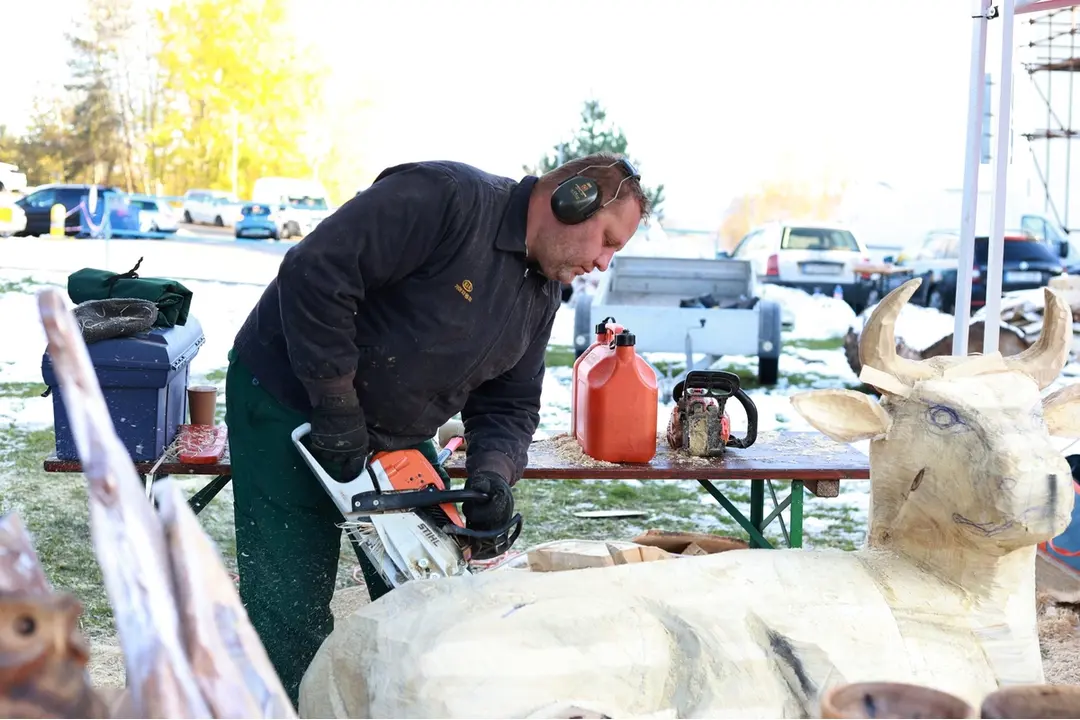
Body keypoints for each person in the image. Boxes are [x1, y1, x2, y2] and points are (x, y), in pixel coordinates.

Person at [223, 151, 650, 705]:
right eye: (608, 241)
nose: (603, 263)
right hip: (287, 402)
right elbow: (316, 271)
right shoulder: (444, 200)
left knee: (427, 605)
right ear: (573, 201)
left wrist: (494, 474)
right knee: (291, 608)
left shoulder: (539, 295)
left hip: (397, 431)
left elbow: (511, 404)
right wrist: (334, 405)